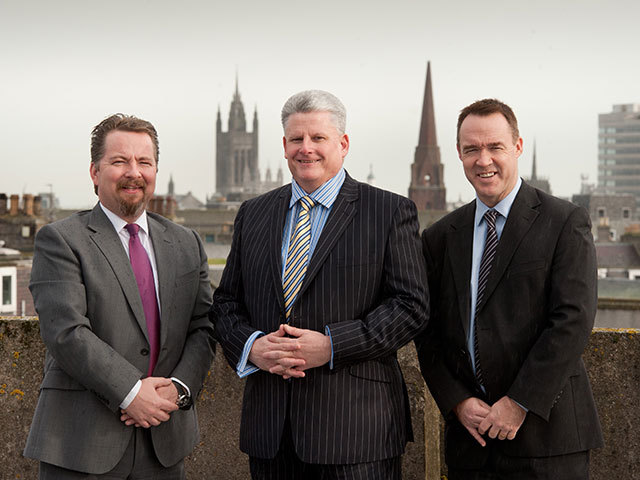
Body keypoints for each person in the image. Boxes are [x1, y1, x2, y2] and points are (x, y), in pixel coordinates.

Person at [210, 90, 428, 479]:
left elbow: (410, 306)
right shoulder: (253, 213)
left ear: (342, 144)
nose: (306, 148)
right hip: (271, 434)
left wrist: (330, 346)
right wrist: (252, 347)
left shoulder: (389, 211)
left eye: (318, 138)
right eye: (297, 139)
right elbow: (225, 302)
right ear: (283, 145)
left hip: (356, 435)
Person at [416, 98, 603, 479]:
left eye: (495, 147)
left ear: (517, 146)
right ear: (459, 154)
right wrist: (457, 401)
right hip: (472, 442)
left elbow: (572, 319)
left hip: (547, 441)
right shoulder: (439, 237)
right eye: (472, 149)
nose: (483, 160)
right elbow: (428, 330)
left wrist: (519, 403)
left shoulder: (565, 221)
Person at [24, 114, 214, 479]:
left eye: (145, 162)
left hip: (165, 443)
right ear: (95, 172)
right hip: (81, 444)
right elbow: (66, 332)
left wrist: (178, 389)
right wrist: (130, 392)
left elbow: (203, 326)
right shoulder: (60, 240)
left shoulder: (187, 243)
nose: (134, 172)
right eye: (119, 161)